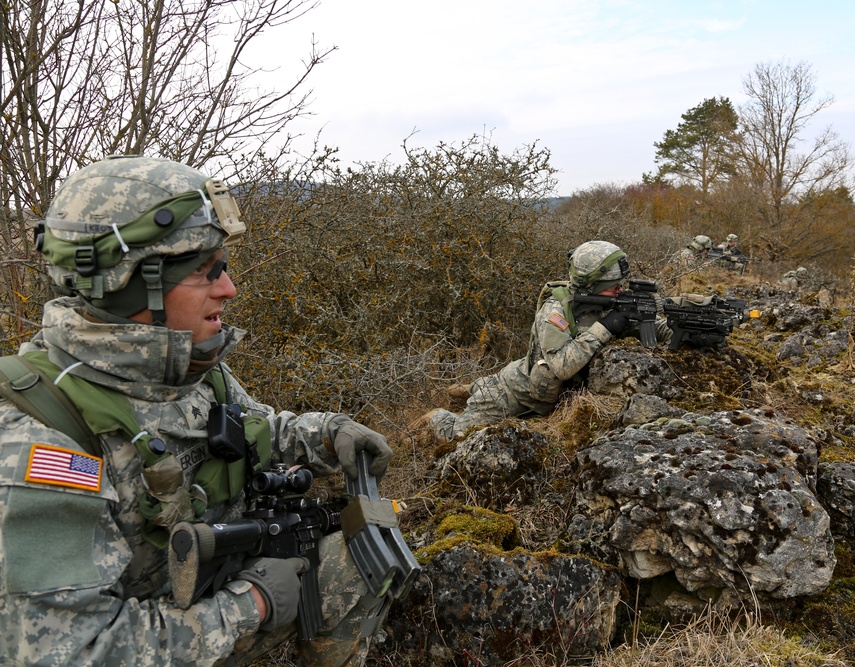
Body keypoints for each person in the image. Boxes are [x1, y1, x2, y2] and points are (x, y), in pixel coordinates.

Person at [0, 156, 395, 666]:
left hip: (201, 600)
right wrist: (248, 605)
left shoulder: (186, 367)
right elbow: (73, 653)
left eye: (224, 267)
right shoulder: (39, 440)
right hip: (160, 636)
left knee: (363, 551)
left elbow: (254, 427)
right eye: (205, 272)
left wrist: (323, 434)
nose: (228, 289)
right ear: (133, 283)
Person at [417, 240, 673, 442]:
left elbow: (657, 329)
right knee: (455, 436)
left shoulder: (610, 303)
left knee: (483, 387)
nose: (620, 290)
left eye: (621, 284)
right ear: (591, 285)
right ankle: (437, 415)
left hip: (542, 387)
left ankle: (471, 388)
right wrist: (605, 328)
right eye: (613, 285)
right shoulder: (555, 311)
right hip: (517, 392)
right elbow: (561, 366)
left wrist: (683, 330)